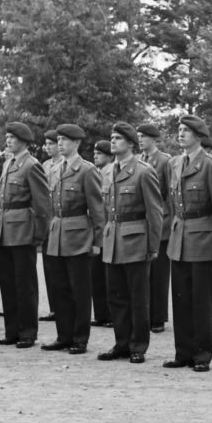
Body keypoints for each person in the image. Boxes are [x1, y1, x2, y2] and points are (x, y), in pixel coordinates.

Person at [164, 115, 212, 372]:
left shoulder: (210, 165)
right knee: (181, 300)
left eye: (186, 131)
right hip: (179, 238)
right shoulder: (174, 163)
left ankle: (202, 355)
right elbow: (172, 205)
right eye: (179, 130)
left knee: (202, 302)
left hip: (203, 239)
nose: (181, 134)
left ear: (199, 136)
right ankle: (183, 353)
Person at [98, 122, 163, 364]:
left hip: (136, 240)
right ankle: (121, 344)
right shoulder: (105, 171)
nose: (113, 142)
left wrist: (153, 246)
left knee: (138, 298)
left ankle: (138, 346)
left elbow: (155, 212)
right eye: (112, 138)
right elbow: (105, 211)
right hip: (113, 240)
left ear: (131, 144)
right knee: (116, 296)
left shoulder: (143, 171)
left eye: (118, 138)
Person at [43, 124, 105, 354]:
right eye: (58, 139)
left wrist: (98, 242)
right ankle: (64, 335)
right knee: (59, 288)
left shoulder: (87, 170)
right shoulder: (56, 168)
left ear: (77, 143)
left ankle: (80, 338)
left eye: (65, 140)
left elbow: (97, 209)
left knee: (79, 290)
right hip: (57, 233)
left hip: (78, 235)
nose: (60, 143)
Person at [0, 122, 51, 349]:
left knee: (24, 284)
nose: (8, 141)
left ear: (24, 141)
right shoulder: (9, 163)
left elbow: (42, 204)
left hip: (23, 229)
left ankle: (27, 332)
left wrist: (39, 233)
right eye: (6, 137)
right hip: (5, 228)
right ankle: (12, 331)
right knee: (7, 283)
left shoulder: (31, 165)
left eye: (12, 138)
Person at [137, 122, 173, 333]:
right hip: (143, 222)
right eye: (138, 136)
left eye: (144, 136)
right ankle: (146, 313)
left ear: (154, 139)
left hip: (163, 222)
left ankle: (158, 317)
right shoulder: (139, 161)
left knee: (159, 273)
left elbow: (171, 195)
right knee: (144, 272)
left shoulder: (165, 162)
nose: (140, 139)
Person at [90, 140, 114, 327]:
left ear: (109, 156)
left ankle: (110, 315)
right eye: (94, 153)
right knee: (96, 275)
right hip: (96, 227)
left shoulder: (111, 171)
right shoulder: (96, 172)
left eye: (99, 153)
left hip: (108, 226)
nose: (95, 156)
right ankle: (100, 314)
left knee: (109, 277)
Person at [39, 130, 61, 324]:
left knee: (61, 268)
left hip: (61, 220)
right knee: (48, 267)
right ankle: (54, 307)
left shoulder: (65, 164)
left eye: (51, 143)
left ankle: (62, 308)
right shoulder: (45, 165)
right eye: (46, 143)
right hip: (48, 222)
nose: (48, 147)